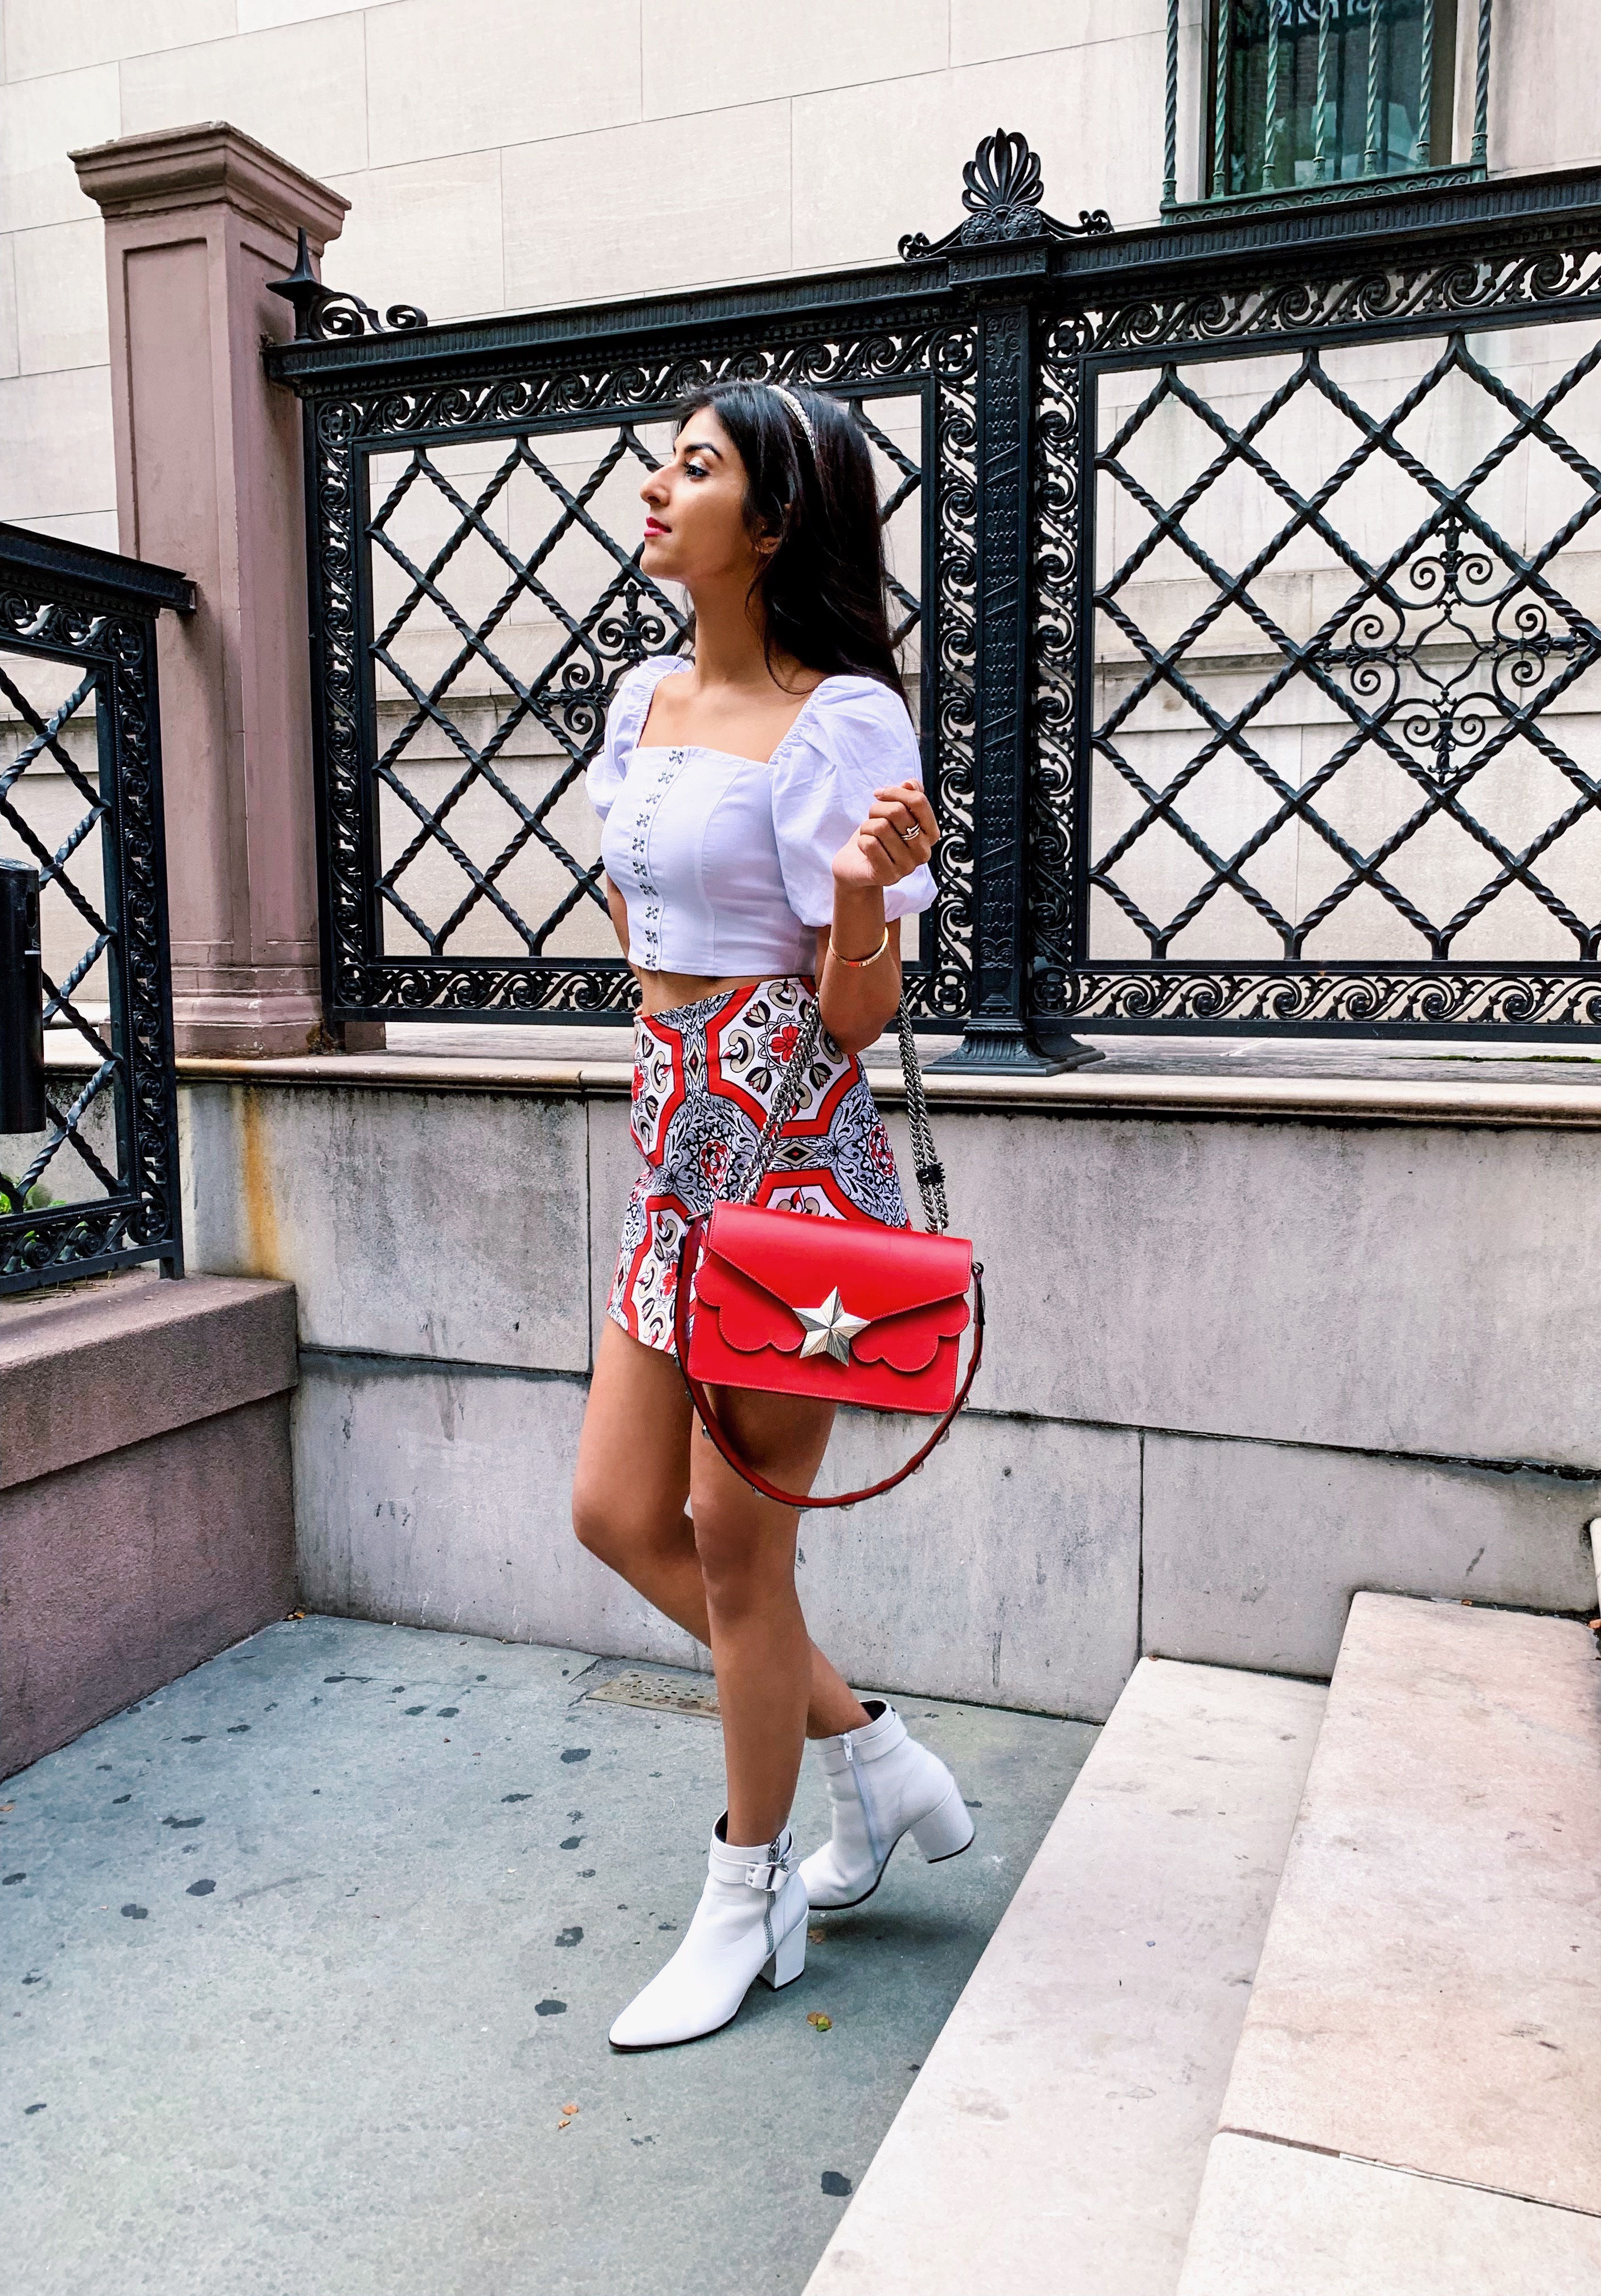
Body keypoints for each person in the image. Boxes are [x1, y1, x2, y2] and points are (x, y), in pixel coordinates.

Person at [571, 380, 974, 2053]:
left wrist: (866, 892)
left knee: (740, 1549)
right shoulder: (644, 699)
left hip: (792, 1147)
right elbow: (637, 918)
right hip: (676, 1128)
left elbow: (859, 1016)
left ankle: (751, 1902)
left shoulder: (846, 721)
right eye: (664, 461)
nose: (657, 487)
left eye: (699, 467)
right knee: (617, 1512)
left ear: (778, 520)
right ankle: (875, 1759)